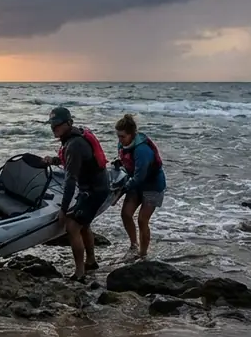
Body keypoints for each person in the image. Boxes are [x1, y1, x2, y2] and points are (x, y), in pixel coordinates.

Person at [42, 106, 110, 281]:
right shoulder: (73, 138)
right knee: (83, 224)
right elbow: (73, 162)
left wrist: (63, 210)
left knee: (72, 226)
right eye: (52, 124)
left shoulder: (74, 144)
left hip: (94, 190)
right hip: (95, 186)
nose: (53, 128)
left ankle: (79, 272)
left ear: (69, 123)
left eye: (57, 124)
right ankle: (91, 261)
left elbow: (70, 180)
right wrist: (54, 160)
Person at [111, 113, 166, 259]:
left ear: (132, 134)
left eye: (122, 136)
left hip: (153, 185)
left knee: (142, 220)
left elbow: (139, 177)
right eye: (118, 136)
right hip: (136, 184)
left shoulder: (142, 150)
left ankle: (143, 254)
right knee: (126, 214)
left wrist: (122, 189)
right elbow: (127, 163)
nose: (120, 140)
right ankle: (133, 244)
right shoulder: (122, 144)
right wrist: (119, 162)